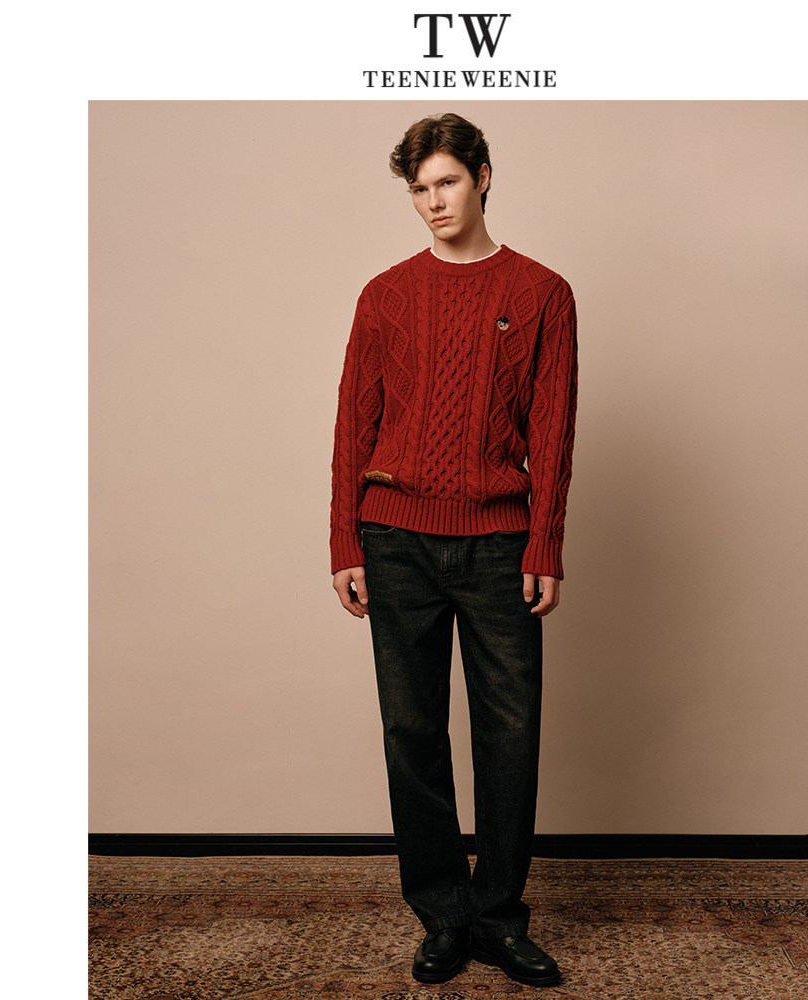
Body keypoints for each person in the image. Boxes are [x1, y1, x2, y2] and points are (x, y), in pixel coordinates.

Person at [329, 112, 578, 988]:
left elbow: (551, 430)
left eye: (447, 182)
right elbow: (353, 424)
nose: (434, 202)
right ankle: (442, 915)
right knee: (412, 732)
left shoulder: (543, 293)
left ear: (482, 177)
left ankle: (499, 918)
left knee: (511, 733)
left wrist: (545, 539)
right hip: (394, 541)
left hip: (499, 543)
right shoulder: (384, 295)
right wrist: (344, 539)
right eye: (419, 189)